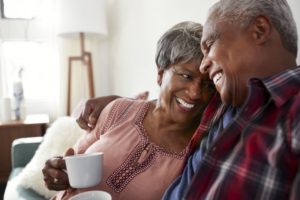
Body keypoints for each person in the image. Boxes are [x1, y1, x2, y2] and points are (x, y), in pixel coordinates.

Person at [77, 0, 300, 199]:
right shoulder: (226, 106)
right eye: (186, 75)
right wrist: (115, 104)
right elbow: (163, 106)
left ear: (259, 30)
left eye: (210, 44)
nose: (204, 65)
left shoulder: (292, 112)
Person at [42, 21, 216, 200]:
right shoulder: (119, 110)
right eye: (186, 76)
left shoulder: (198, 153)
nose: (196, 93)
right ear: (161, 73)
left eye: (208, 84)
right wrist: (57, 173)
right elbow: (71, 161)